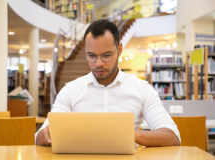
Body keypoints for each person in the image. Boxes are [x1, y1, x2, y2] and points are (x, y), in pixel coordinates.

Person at [36, 19, 181, 146]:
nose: (98, 63)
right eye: (91, 56)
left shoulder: (142, 89)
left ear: (119, 49)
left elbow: (172, 137)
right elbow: (40, 137)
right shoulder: (71, 90)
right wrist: (48, 134)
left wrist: (131, 135)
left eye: (106, 55)